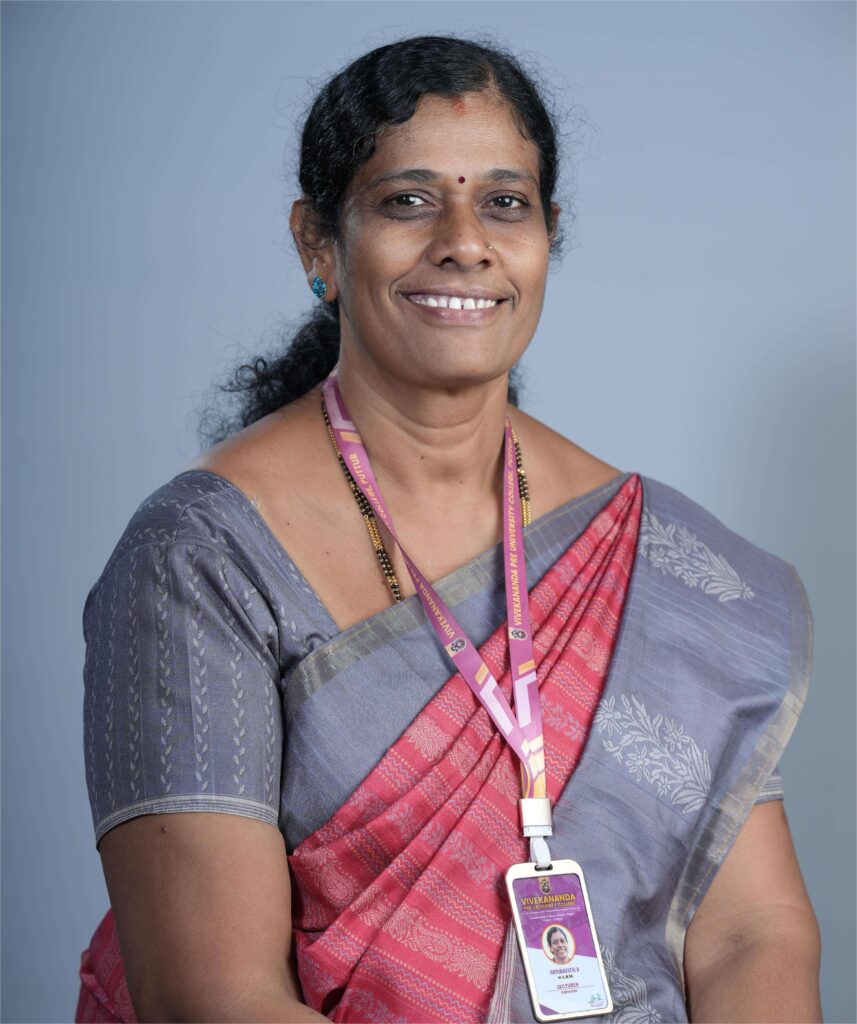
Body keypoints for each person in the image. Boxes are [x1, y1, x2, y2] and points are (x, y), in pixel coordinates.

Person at [76, 35, 822, 1024]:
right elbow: (212, 996)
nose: (464, 240)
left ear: (547, 236)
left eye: (504, 203)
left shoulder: (650, 555)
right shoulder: (203, 557)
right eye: (407, 200)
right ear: (316, 243)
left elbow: (751, 933)